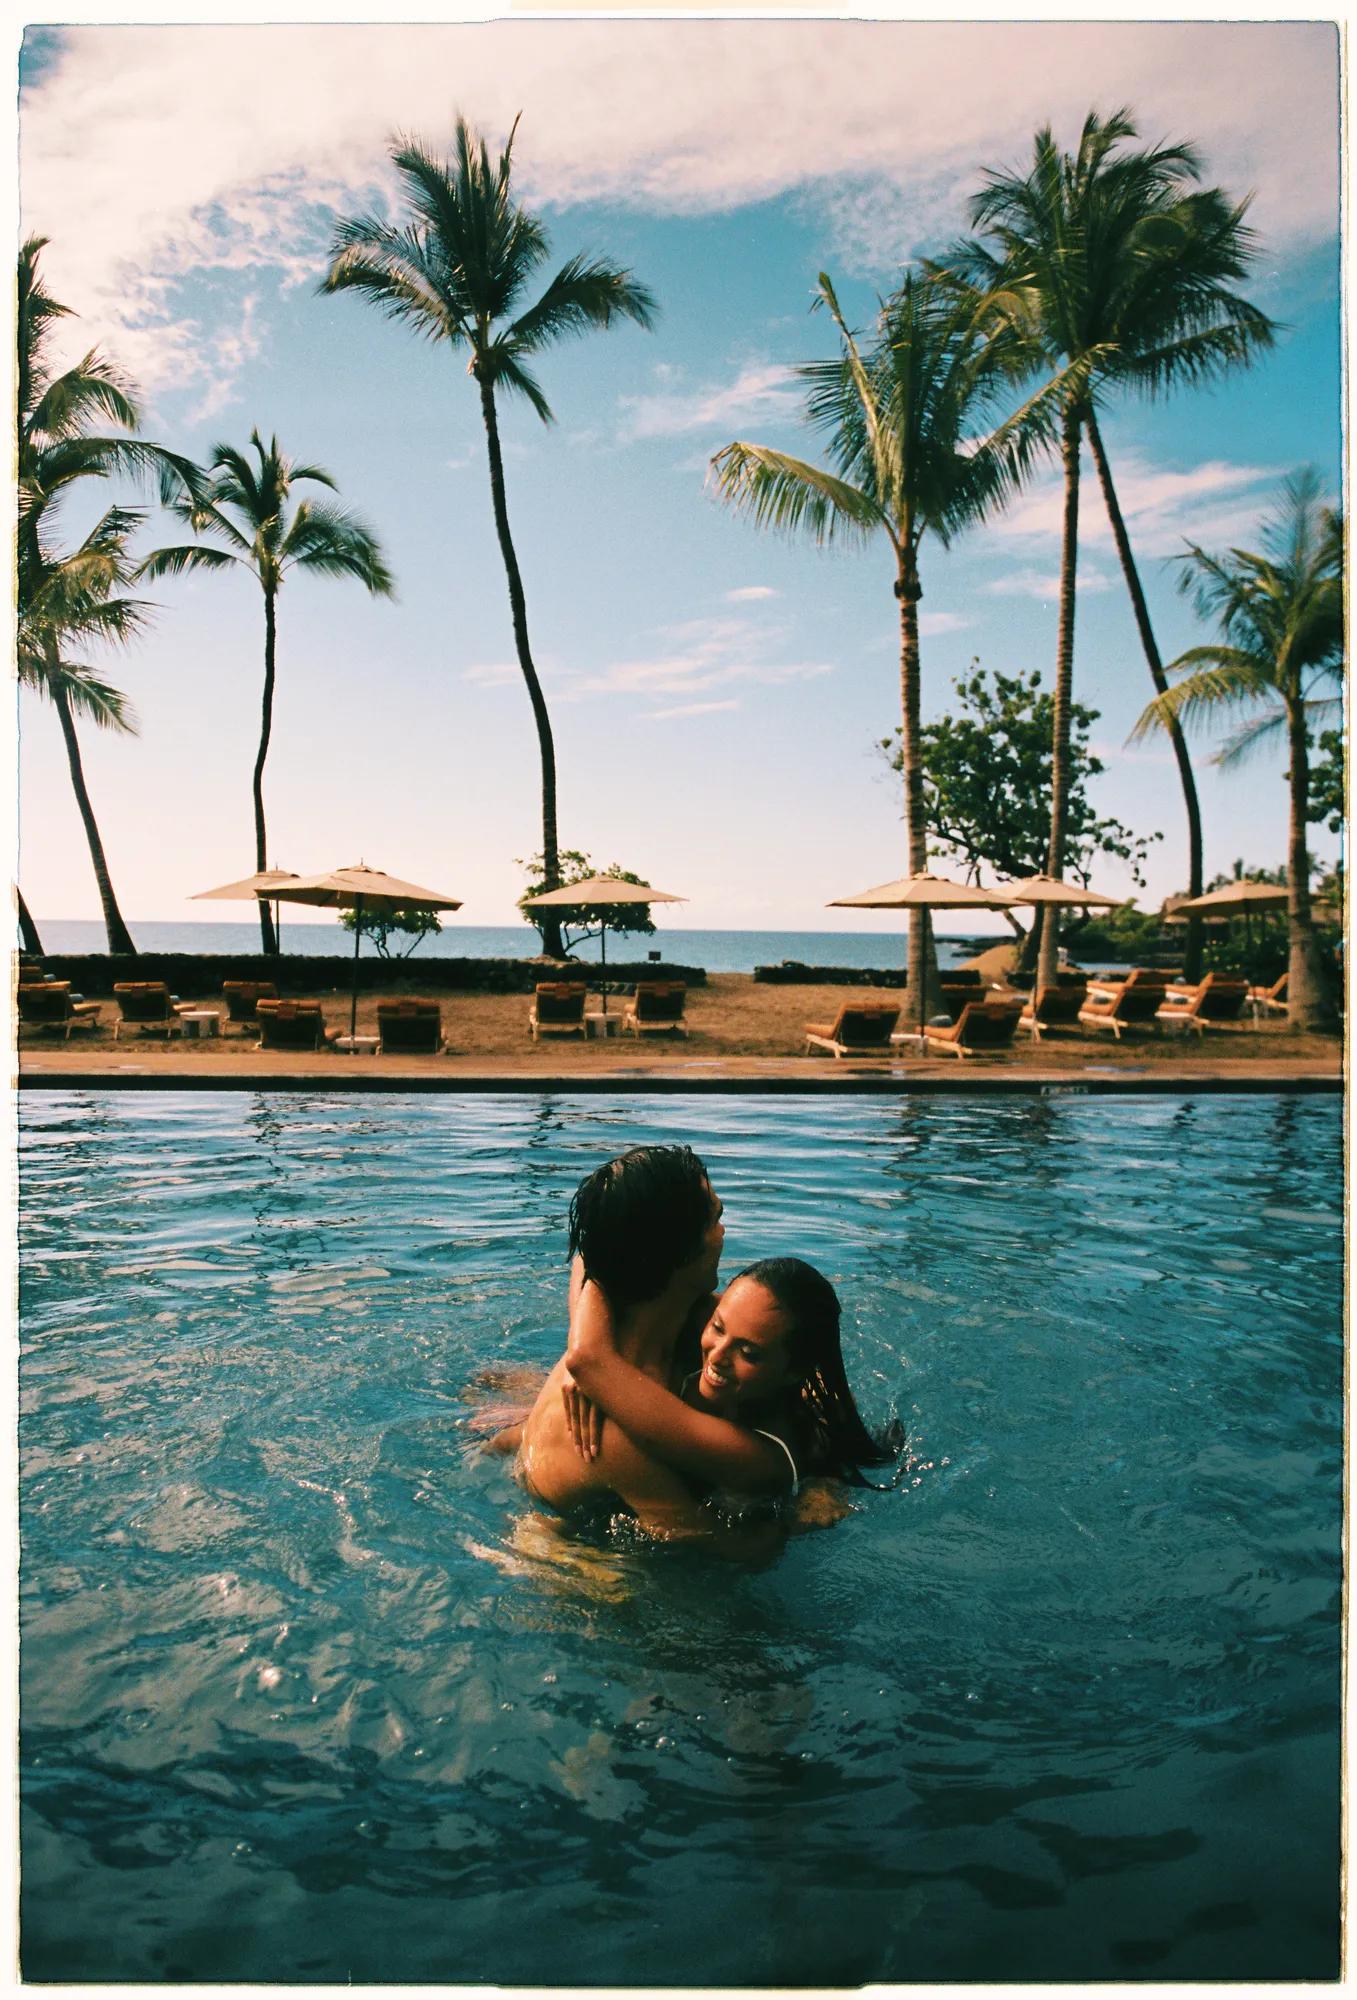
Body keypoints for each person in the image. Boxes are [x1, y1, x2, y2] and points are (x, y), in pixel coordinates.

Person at [504, 1142, 896, 1544]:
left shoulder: (688, 1319)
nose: (723, 1232)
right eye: (715, 1220)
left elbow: (589, 1255)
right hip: (565, 1527)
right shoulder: (614, 1429)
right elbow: (703, 1541)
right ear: (680, 1255)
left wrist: (585, 1353)